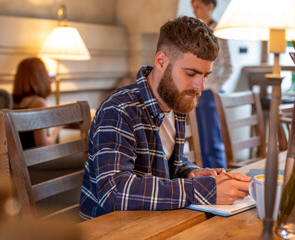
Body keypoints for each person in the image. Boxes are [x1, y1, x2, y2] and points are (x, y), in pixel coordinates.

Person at [79, 16, 250, 220]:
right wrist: (202, 190)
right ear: (161, 61)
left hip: (154, 219)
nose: (200, 87)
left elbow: (167, 164)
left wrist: (190, 173)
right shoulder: (118, 110)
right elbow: (115, 192)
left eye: (205, 76)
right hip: (110, 228)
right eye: (191, 73)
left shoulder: (175, 102)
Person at [191, 0, 232, 168]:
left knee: (212, 142)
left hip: (210, 94)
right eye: (193, 8)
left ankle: (219, 177)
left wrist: (214, 89)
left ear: (210, 6)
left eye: (198, 7)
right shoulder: (195, 32)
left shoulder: (219, 32)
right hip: (194, 93)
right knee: (199, 142)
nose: (195, 11)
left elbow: (228, 67)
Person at [12, 57, 59, 149]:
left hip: (17, 160)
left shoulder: (12, 102)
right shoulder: (39, 103)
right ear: (42, 77)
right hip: (35, 160)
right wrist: (58, 128)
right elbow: (43, 144)